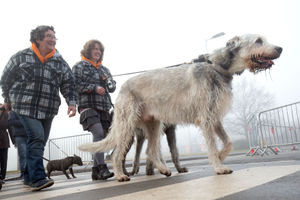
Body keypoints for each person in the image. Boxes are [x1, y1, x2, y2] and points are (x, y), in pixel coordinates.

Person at [0, 25, 76, 191]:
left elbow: (69, 83)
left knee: (38, 142)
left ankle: (28, 177)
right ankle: (38, 178)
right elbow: (5, 79)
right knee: (37, 137)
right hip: (24, 106)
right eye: (49, 36)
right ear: (38, 38)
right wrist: (7, 98)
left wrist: (71, 102)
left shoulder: (59, 61)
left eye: (55, 36)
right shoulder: (20, 57)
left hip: (48, 108)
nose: (53, 39)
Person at [72, 39, 115, 180]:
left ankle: (95, 170)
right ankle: (103, 168)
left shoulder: (104, 69)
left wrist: (108, 81)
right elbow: (75, 85)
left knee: (101, 136)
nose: (97, 51)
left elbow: (112, 88)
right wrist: (94, 88)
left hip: (103, 107)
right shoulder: (79, 66)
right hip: (87, 106)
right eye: (94, 49)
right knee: (98, 133)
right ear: (88, 50)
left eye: (99, 50)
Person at [8, 110, 27, 179]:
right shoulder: (13, 111)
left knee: (30, 155)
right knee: (23, 155)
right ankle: (24, 174)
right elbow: (11, 121)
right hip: (20, 136)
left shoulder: (27, 110)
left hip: (29, 135)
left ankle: (30, 173)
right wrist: (24, 122)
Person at [0, 104, 16, 185]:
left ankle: (2, 177)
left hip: (4, 139)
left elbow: (10, 128)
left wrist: (14, 141)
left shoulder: (6, 114)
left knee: (3, 159)